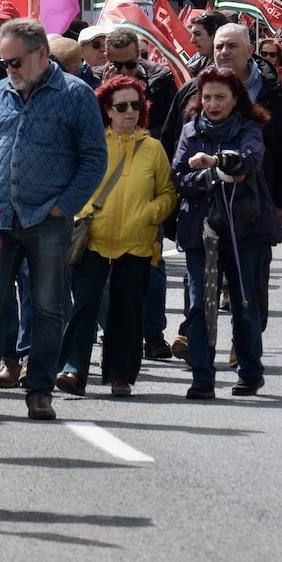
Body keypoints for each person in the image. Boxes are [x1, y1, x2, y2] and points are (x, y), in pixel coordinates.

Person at [0, 19, 107, 422]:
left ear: (42, 54)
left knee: (46, 308)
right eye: (3, 61)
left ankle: (40, 391)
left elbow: (95, 158)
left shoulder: (76, 95)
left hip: (48, 219)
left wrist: (64, 206)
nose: (8, 69)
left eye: (14, 61)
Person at [57, 76, 176, 397]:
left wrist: (149, 215)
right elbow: (76, 182)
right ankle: (74, 369)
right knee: (84, 306)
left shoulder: (153, 149)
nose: (130, 111)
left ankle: (120, 374)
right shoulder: (93, 143)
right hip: (93, 239)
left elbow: (167, 193)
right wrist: (82, 213)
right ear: (107, 110)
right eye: (121, 106)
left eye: (136, 105)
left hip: (137, 244)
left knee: (127, 310)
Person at [173, 70, 282, 399]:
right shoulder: (190, 130)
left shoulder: (250, 128)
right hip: (199, 231)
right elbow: (179, 176)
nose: (213, 103)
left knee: (243, 302)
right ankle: (202, 377)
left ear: (236, 99)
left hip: (245, 230)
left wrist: (217, 162)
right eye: (207, 97)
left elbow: (248, 160)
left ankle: (250, 371)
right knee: (198, 304)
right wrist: (214, 177)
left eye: (220, 97)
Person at [99, 28, 178, 139]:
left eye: (130, 64)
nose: (124, 71)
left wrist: (146, 137)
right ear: (107, 57)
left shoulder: (162, 80)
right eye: (117, 65)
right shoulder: (94, 80)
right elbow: (91, 124)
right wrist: (104, 92)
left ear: (138, 55)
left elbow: (173, 123)